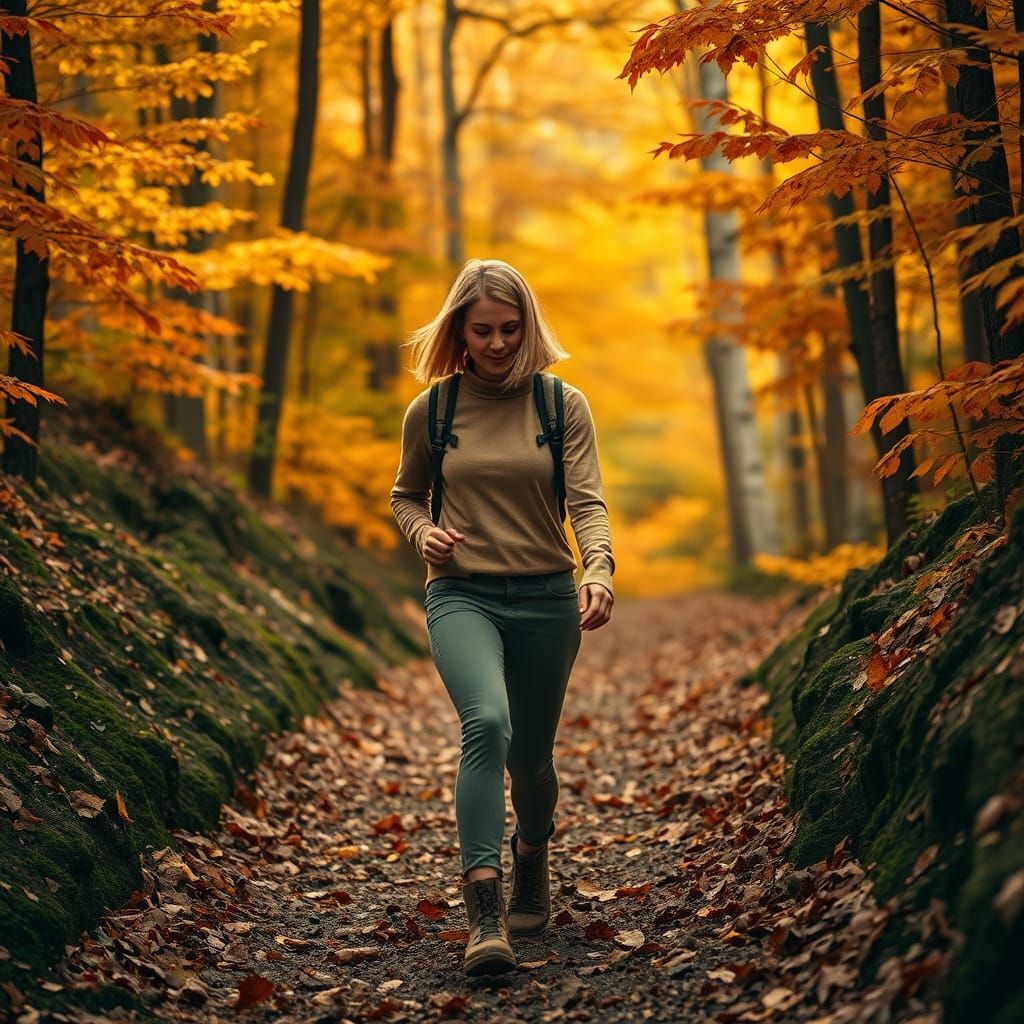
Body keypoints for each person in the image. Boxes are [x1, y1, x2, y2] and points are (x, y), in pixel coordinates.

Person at [389, 258, 615, 977]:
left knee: (532, 762)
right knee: (486, 723)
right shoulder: (434, 410)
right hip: (462, 595)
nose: (495, 343)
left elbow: (586, 502)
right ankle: (485, 914)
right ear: (459, 329)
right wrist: (423, 534)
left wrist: (600, 569)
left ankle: (532, 852)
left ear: (529, 327)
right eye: (481, 330)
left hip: (547, 596)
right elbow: (405, 497)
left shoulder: (561, 405)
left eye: (509, 330)